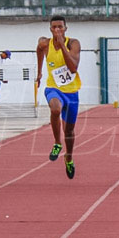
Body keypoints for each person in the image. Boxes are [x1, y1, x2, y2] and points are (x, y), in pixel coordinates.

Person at [35, 15, 81, 179]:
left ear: (65, 28)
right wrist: (39, 71)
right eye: (54, 27)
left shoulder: (72, 43)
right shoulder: (45, 43)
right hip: (53, 88)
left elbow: (73, 68)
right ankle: (57, 142)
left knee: (69, 130)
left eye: (60, 27)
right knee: (55, 108)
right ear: (50, 29)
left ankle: (68, 156)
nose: (57, 30)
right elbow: (39, 50)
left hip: (71, 92)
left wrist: (62, 45)